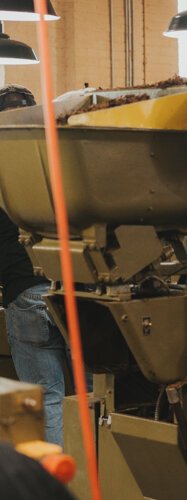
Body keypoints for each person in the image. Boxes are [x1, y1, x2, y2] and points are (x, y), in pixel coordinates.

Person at [1, 85, 69, 446]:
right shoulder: (61, 160)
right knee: (90, 394)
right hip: (77, 286)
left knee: (40, 399)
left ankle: (44, 484)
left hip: (24, 289)